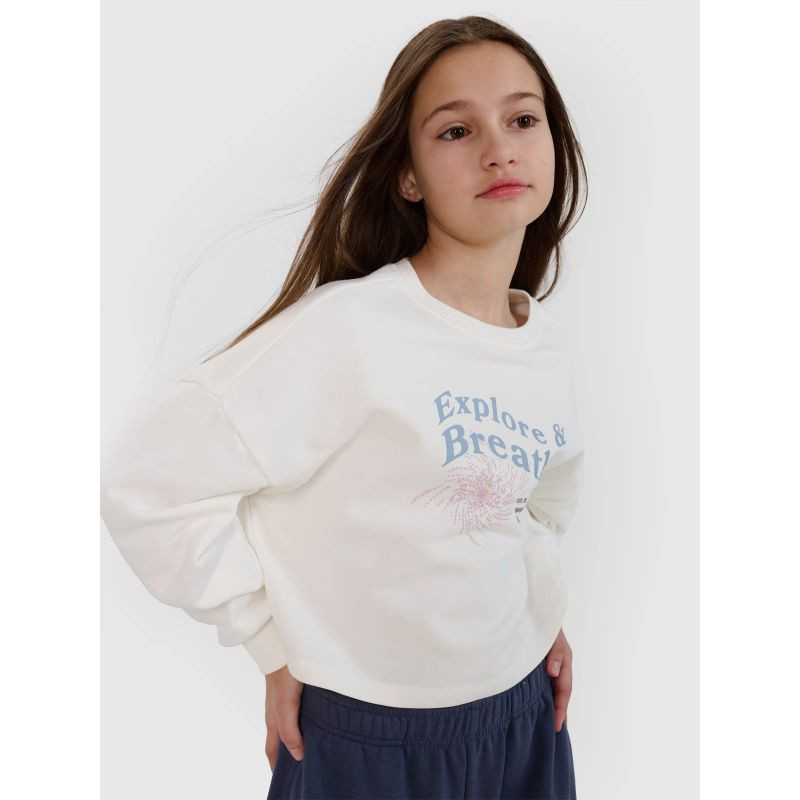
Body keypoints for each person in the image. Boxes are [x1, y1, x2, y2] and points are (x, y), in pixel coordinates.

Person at [100, 14, 588, 800]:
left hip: (523, 720)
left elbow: (536, 502)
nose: (499, 149)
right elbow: (147, 485)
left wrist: (538, 618)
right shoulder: (346, 331)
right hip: (368, 741)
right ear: (408, 176)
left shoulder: (544, 341)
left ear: (555, 145)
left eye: (522, 120)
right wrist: (269, 642)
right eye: (456, 130)